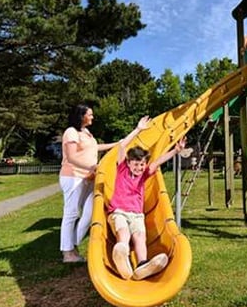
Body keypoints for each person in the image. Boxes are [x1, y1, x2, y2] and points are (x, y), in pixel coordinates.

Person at [108, 116, 187, 280]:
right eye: (136, 164)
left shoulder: (144, 174)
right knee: (123, 232)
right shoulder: (122, 169)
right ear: (128, 163)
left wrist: (176, 151)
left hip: (137, 214)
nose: (139, 168)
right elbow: (122, 145)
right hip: (119, 212)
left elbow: (158, 161)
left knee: (140, 237)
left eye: (142, 164)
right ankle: (121, 253)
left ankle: (142, 264)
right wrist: (138, 129)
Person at [58, 104, 119, 263]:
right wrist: (92, 167)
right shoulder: (71, 132)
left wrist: (116, 144)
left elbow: (94, 148)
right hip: (73, 177)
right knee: (71, 213)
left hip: (88, 177)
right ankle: (67, 253)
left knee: (90, 211)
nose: (92, 117)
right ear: (81, 116)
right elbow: (71, 157)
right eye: (90, 114)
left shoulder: (86, 132)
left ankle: (74, 243)